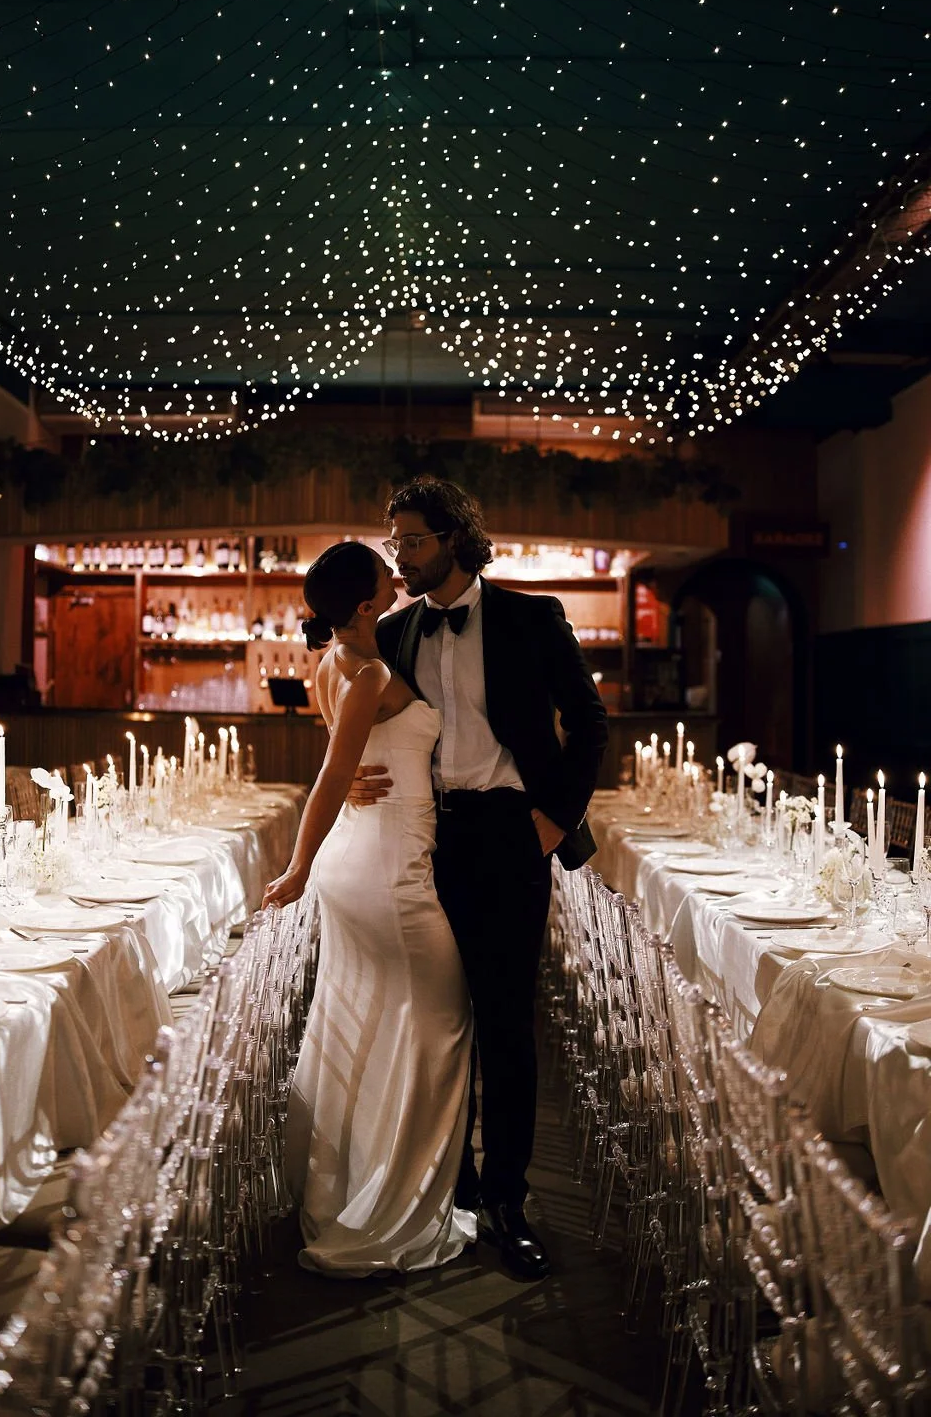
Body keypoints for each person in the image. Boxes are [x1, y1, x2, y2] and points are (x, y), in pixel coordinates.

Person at [350, 477, 608, 1281]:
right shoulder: (393, 633)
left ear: (455, 538)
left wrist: (555, 820)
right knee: (437, 1019)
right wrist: (356, 776)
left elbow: (591, 722)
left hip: (509, 834)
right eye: (395, 542)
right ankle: (448, 1186)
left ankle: (508, 1199)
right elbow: (363, 724)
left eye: (412, 541)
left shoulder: (533, 619)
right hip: (424, 841)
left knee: (504, 1023)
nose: (400, 555)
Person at [262, 540, 477, 1277]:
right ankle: (396, 1208)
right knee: (441, 1024)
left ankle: (352, 1182)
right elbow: (331, 776)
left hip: (367, 856)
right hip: (386, 873)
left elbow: (351, 763)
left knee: (368, 1021)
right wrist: (296, 866)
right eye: (387, 576)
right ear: (363, 604)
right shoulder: (372, 670)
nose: (398, 578)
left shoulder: (332, 661)